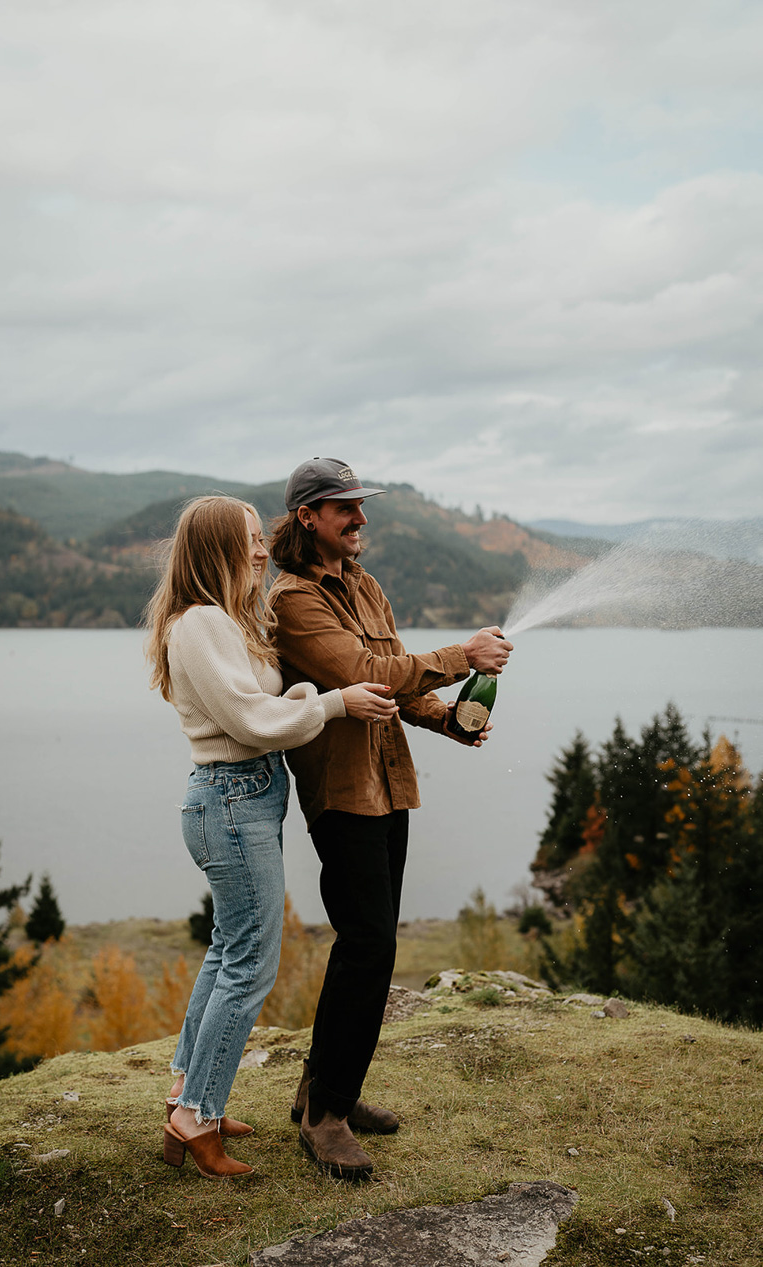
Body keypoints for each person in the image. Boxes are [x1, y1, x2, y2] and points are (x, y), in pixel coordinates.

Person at [268, 458, 513, 1180]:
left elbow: (399, 677)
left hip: (387, 783)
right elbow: (361, 673)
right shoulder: (290, 599)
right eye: (344, 507)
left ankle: (321, 1088)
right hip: (340, 791)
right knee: (368, 943)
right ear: (307, 515)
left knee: (367, 943)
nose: (359, 518)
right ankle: (325, 1119)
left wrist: (448, 721)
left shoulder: (364, 584)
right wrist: (460, 653)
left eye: (360, 506)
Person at [144, 494, 398, 1180]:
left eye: (261, 538)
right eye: (250, 540)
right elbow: (251, 723)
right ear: (216, 548)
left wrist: (302, 700)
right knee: (251, 962)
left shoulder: (223, 621)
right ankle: (196, 1117)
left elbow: (260, 706)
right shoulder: (199, 623)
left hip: (241, 798)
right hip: (230, 800)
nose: (262, 550)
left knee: (228, 948)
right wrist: (336, 701)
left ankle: (185, 1091)